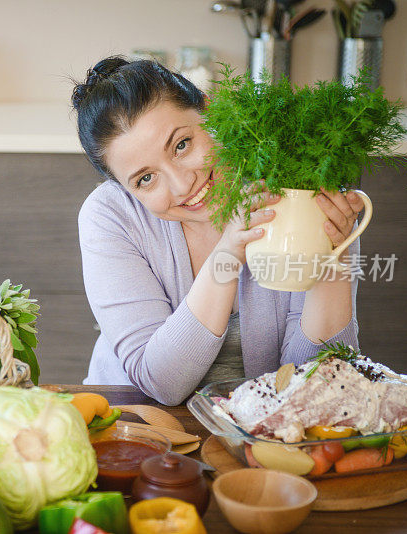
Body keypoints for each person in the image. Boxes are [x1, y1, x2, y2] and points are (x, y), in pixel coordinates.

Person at [72, 56, 364, 405]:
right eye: (145, 179)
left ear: (210, 114)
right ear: (123, 188)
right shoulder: (110, 216)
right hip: (137, 424)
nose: (182, 185)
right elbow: (163, 384)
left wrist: (332, 253)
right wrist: (228, 254)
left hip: (261, 427)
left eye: (182, 145)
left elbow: (315, 381)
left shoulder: (294, 186)